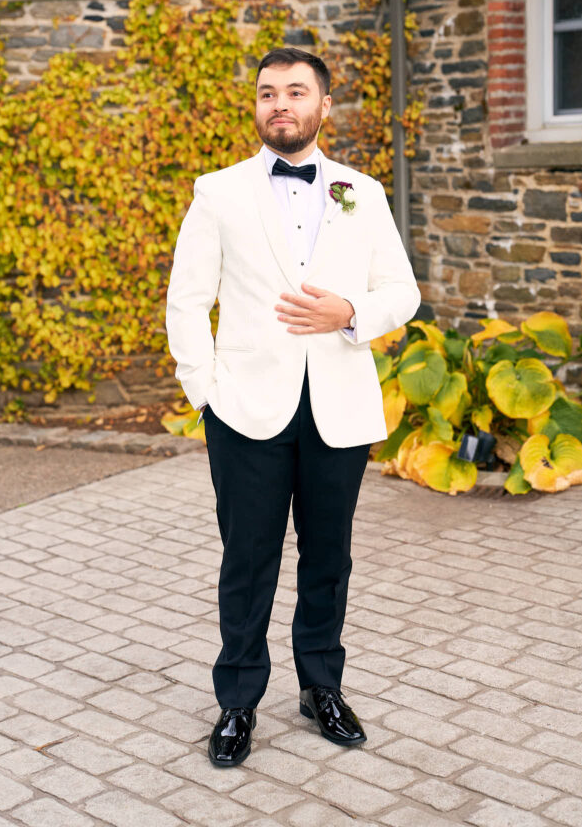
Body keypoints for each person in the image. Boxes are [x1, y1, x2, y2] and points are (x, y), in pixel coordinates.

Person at [166, 47, 421, 767]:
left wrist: (349, 312)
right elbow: (187, 301)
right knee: (247, 560)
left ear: (323, 105)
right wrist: (205, 392)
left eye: (295, 91)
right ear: (256, 107)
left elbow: (400, 293)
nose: (280, 103)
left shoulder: (362, 193)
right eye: (267, 92)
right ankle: (237, 701)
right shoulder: (216, 192)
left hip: (338, 405)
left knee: (329, 558)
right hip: (244, 410)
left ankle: (321, 688)